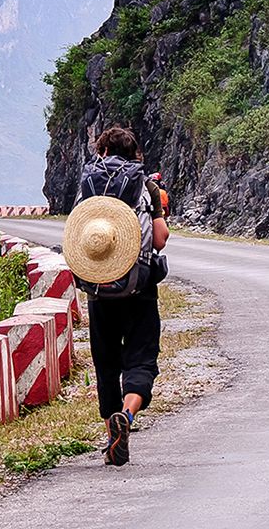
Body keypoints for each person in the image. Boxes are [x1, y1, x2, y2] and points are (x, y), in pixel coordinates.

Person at [67, 126, 168, 467]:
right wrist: (159, 210)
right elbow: (159, 240)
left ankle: (112, 428)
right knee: (141, 359)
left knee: (107, 365)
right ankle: (126, 414)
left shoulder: (87, 186)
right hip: (138, 288)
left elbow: (77, 235)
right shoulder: (146, 186)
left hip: (99, 290)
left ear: (103, 151)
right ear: (134, 152)